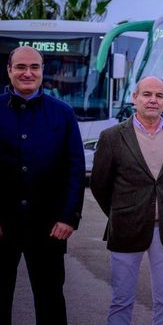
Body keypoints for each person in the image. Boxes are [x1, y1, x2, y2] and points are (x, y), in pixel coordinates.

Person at [90, 76, 163, 325]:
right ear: (134, 97)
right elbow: (100, 184)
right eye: (147, 94)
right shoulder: (112, 136)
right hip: (126, 227)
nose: (153, 100)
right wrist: (121, 212)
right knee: (121, 300)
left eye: (159, 96)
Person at [0, 46, 86, 324]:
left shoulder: (63, 113)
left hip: (49, 227)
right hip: (2, 225)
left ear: (42, 71)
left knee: (50, 301)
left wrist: (68, 217)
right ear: (9, 71)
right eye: (20, 67)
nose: (28, 73)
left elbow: (75, 169)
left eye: (34, 67)